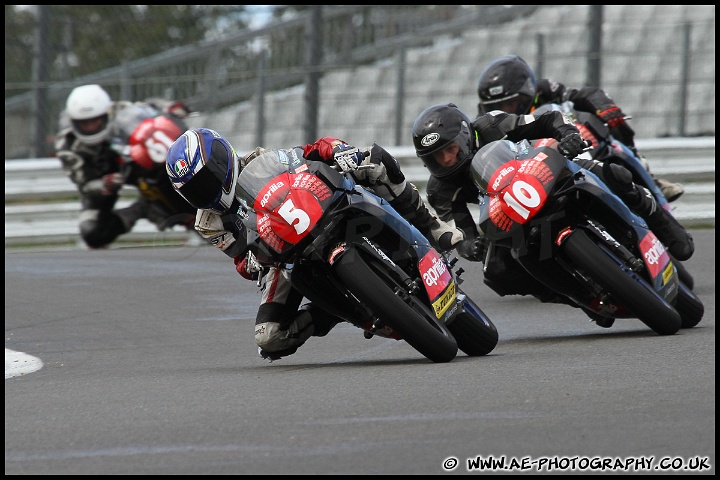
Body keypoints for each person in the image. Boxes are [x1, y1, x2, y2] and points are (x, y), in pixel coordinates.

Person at [165, 128, 473, 361]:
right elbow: (240, 262)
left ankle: (433, 227)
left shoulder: (262, 160)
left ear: (222, 158)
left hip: (322, 205)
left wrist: (340, 151)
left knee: (374, 160)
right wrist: (252, 263)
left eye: (206, 179)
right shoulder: (210, 223)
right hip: (279, 253)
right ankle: (346, 308)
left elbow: (314, 149)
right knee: (269, 337)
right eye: (194, 190)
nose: (204, 192)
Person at [411, 102, 694, 310]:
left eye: (450, 149)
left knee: (614, 175)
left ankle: (664, 227)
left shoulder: (491, 124)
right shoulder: (440, 190)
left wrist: (567, 134)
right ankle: (578, 295)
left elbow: (547, 119)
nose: (446, 160)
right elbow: (460, 230)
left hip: (547, 169)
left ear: (464, 137)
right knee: (497, 273)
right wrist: (471, 246)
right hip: (510, 210)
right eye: (436, 157)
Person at [475, 54, 685, 202]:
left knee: (613, 118)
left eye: (510, 104)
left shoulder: (545, 89)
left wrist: (604, 107)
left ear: (527, 91)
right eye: (497, 107)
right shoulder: (488, 122)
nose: (506, 110)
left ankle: (647, 174)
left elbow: (581, 95)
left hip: (573, 145)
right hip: (533, 171)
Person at [54, 84, 194, 249]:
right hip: (100, 181)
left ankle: (194, 201)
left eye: (95, 120)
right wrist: (103, 185)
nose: (91, 127)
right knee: (92, 231)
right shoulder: (67, 144)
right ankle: (140, 210)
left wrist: (170, 107)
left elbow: (149, 107)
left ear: (106, 114)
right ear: (73, 121)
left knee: (164, 168)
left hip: (132, 163)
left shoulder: (120, 110)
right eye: (84, 123)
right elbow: (84, 184)